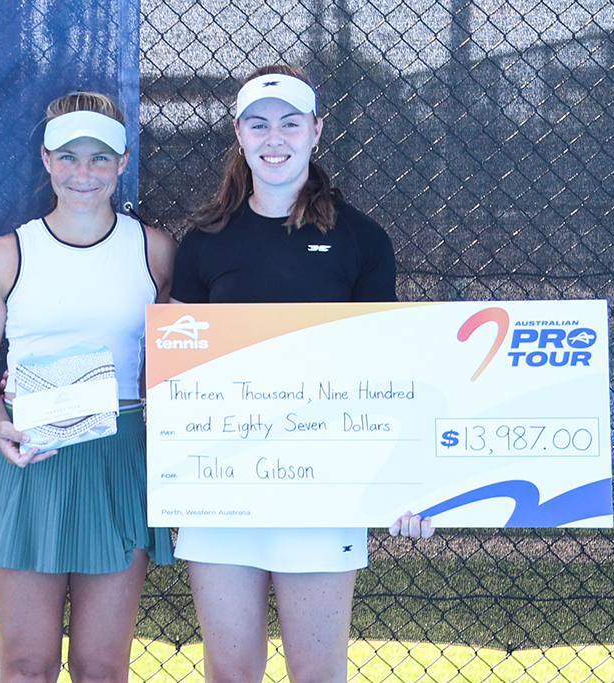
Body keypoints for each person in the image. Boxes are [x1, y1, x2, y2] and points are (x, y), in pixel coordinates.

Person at [169, 65, 434, 683]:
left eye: (290, 123)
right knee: (230, 675)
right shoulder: (205, 241)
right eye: (258, 124)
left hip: (323, 489)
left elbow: (388, 368)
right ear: (238, 133)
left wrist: (414, 477)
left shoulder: (361, 239)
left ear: (316, 132)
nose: (274, 137)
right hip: (223, 489)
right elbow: (176, 367)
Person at [0, 90, 176, 683]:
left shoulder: (154, 251)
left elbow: (179, 357)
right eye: (69, 157)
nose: (84, 173)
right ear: (47, 161)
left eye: (100, 158)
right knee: (26, 664)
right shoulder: (5, 255)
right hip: (30, 458)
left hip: (117, 458)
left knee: (101, 666)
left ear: (123, 162)